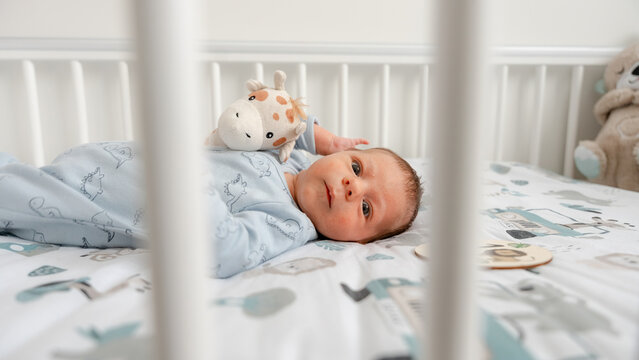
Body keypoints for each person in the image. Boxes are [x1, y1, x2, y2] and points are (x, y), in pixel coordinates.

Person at [0, 116, 422, 277]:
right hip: (101, 161)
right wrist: (322, 136)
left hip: (87, 203)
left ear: (360, 242)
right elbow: (276, 118)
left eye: (366, 207)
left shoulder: (289, 222)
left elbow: (224, 252)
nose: (352, 187)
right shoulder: (292, 160)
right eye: (356, 167)